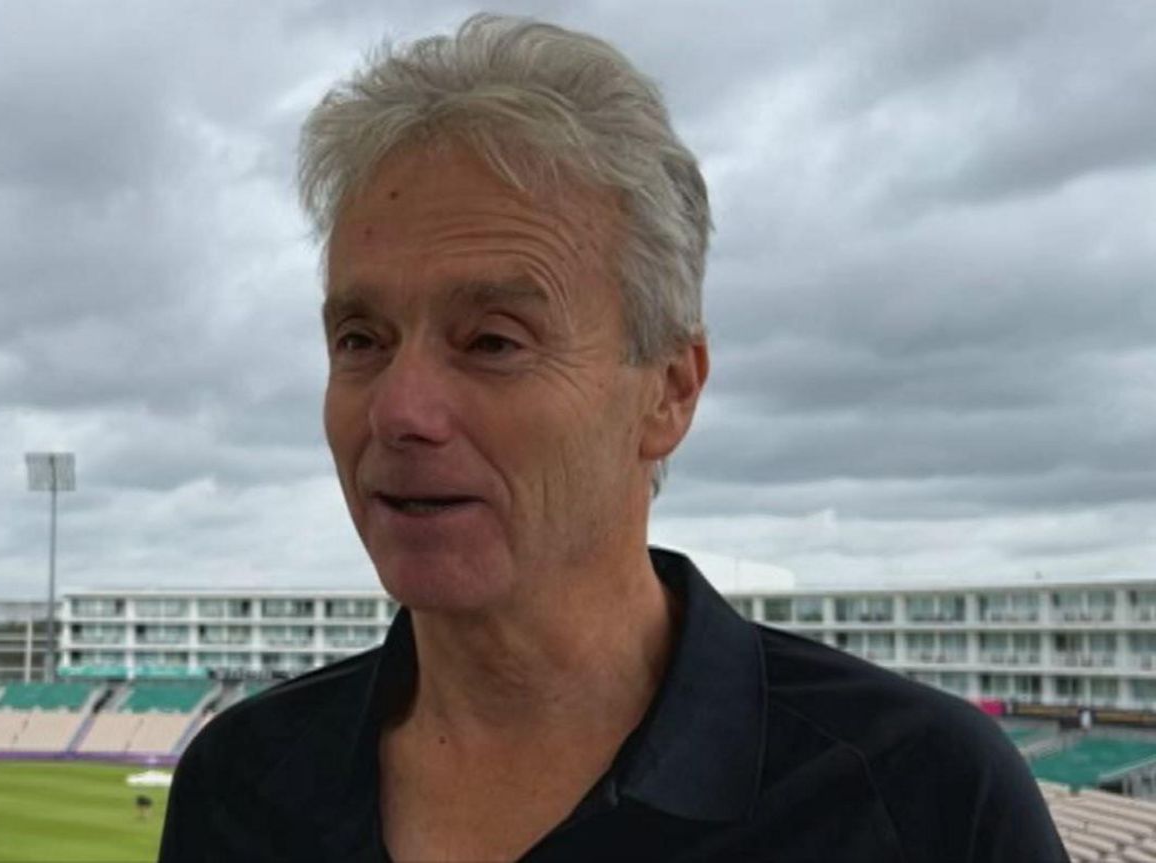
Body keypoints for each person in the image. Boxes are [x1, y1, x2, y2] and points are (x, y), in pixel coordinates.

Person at [160, 13, 1066, 862]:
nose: (400, 410)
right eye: (361, 340)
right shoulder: (239, 785)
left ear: (669, 391)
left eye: (492, 341)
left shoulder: (925, 797)